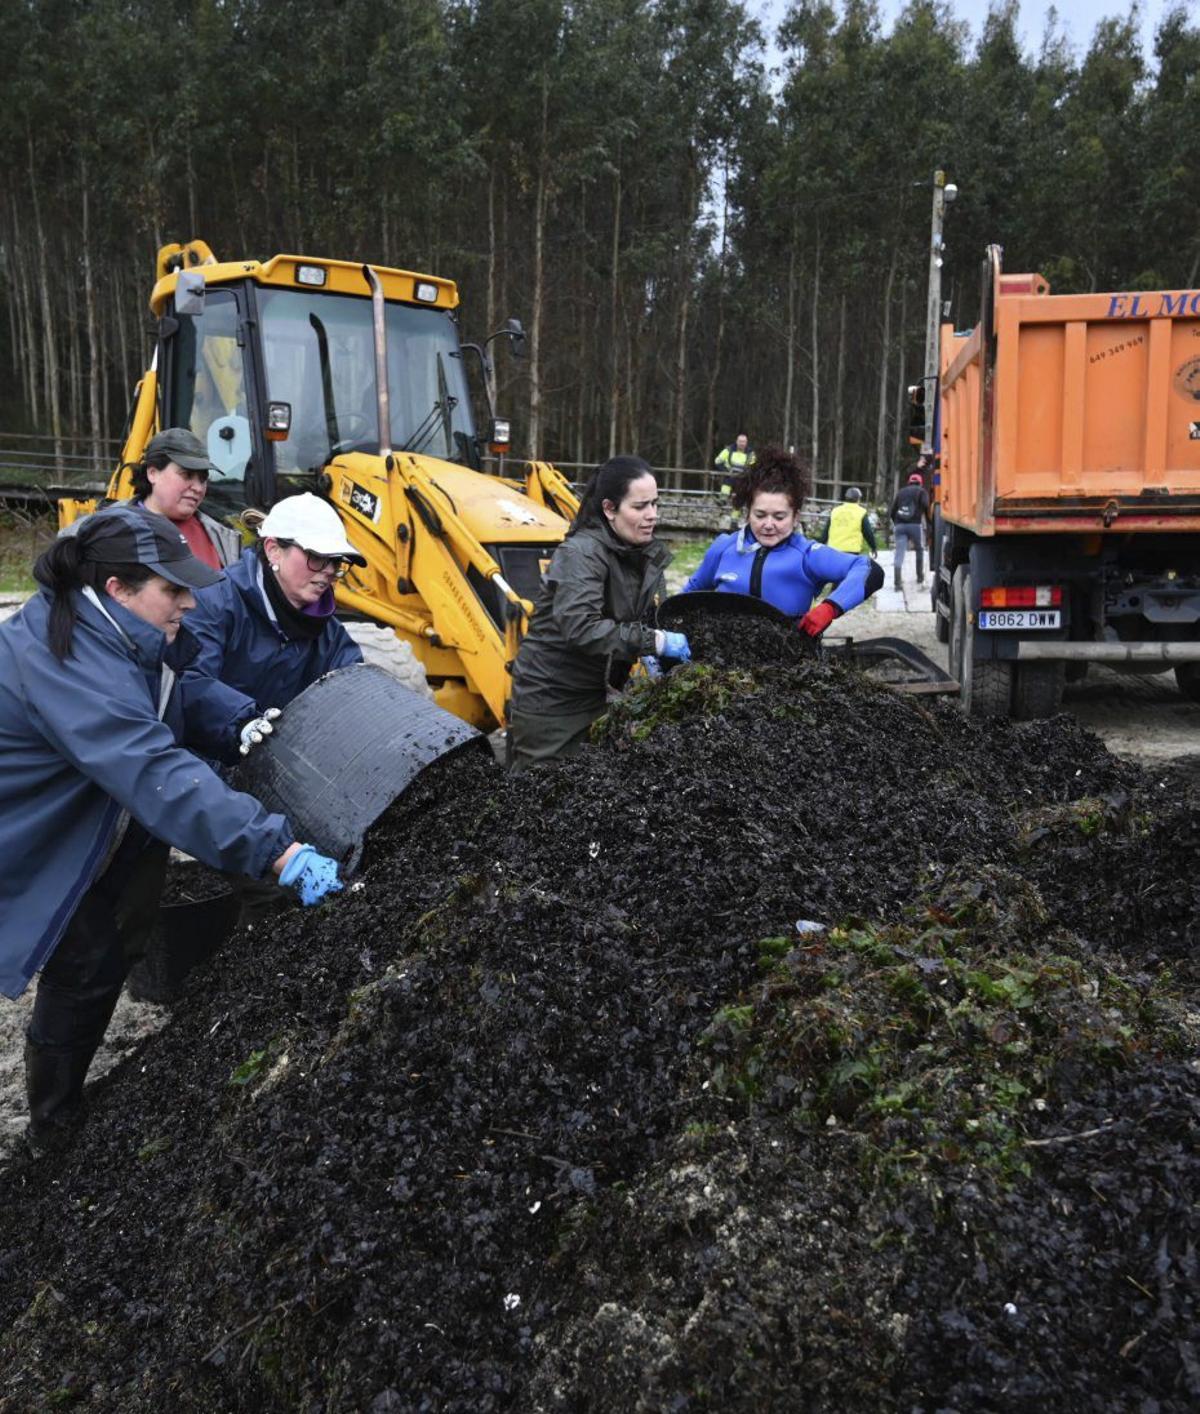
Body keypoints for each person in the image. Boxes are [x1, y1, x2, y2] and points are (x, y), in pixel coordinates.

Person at [0, 506, 343, 1154]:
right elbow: (152, 766)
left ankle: (73, 1083)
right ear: (116, 589)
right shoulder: (61, 657)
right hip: (41, 832)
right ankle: (50, 1124)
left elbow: (180, 683)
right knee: (83, 961)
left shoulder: (127, 629)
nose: (189, 600)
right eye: (172, 588)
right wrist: (278, 849)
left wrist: (236, 718)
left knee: (121, 941)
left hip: (103, 817)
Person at [508, 456, 687, 769]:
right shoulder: (581, 553)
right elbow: (581, 628)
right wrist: (653, 641)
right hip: (551, 704)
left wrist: (657, 656)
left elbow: (642, 613)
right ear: (609, 509)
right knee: (541, 797)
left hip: (599, 695)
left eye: (655, 504)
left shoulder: (640, 553)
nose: (651, 516)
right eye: (640, 506)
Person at [179, 493, 366, 733]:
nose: (329, 571)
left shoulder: (330, 634)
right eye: (317, 557)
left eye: (337, 561)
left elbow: (353, 690)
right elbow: (193, 681)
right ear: (273, 550)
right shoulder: (214, 603)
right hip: (206, 757)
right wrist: (244, 725)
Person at [685, 446, 883, 636]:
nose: (768, 524)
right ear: (747, 513)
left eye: (779, 517)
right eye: (760, 515)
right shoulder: (724, 547)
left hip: (787, 662)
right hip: (723, 659)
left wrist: (830, 608)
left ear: (795, 517)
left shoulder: (808, 555)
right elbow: (685, 598)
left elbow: (869, 570)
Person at [890, 471, 931, 590]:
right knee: (919, 549)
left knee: (899, 553)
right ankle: (919, 577)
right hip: (915, 525)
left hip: (900, 526)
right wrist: (928, 523)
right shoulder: (921, 491)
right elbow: (926, 505)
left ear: (909, 482)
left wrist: (896, 523)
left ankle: (897, 583)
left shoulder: (901, 492)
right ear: (920, 483)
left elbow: (893, 510)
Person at [816, 487, 878, 556]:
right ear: (858, 499)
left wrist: (820, 545)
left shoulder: (835, 511)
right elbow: (868, 533)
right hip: (851, 551)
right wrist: (873, 547)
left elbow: (826, 531)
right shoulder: (861, 512)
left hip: (833, 550)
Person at [714, 433, 755, 530]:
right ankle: (723, 499)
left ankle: (734, 521)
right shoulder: (729, 450)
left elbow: (753, 465)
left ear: (746, 443)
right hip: (730, 476)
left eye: (744, 442)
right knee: (727, 483)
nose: (742, 444)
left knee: (739, 500)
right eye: (740, 441)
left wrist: (746, 473)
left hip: (742, 478)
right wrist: (726, 471)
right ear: (736, 441)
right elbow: (718, 461)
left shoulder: (750, 453)